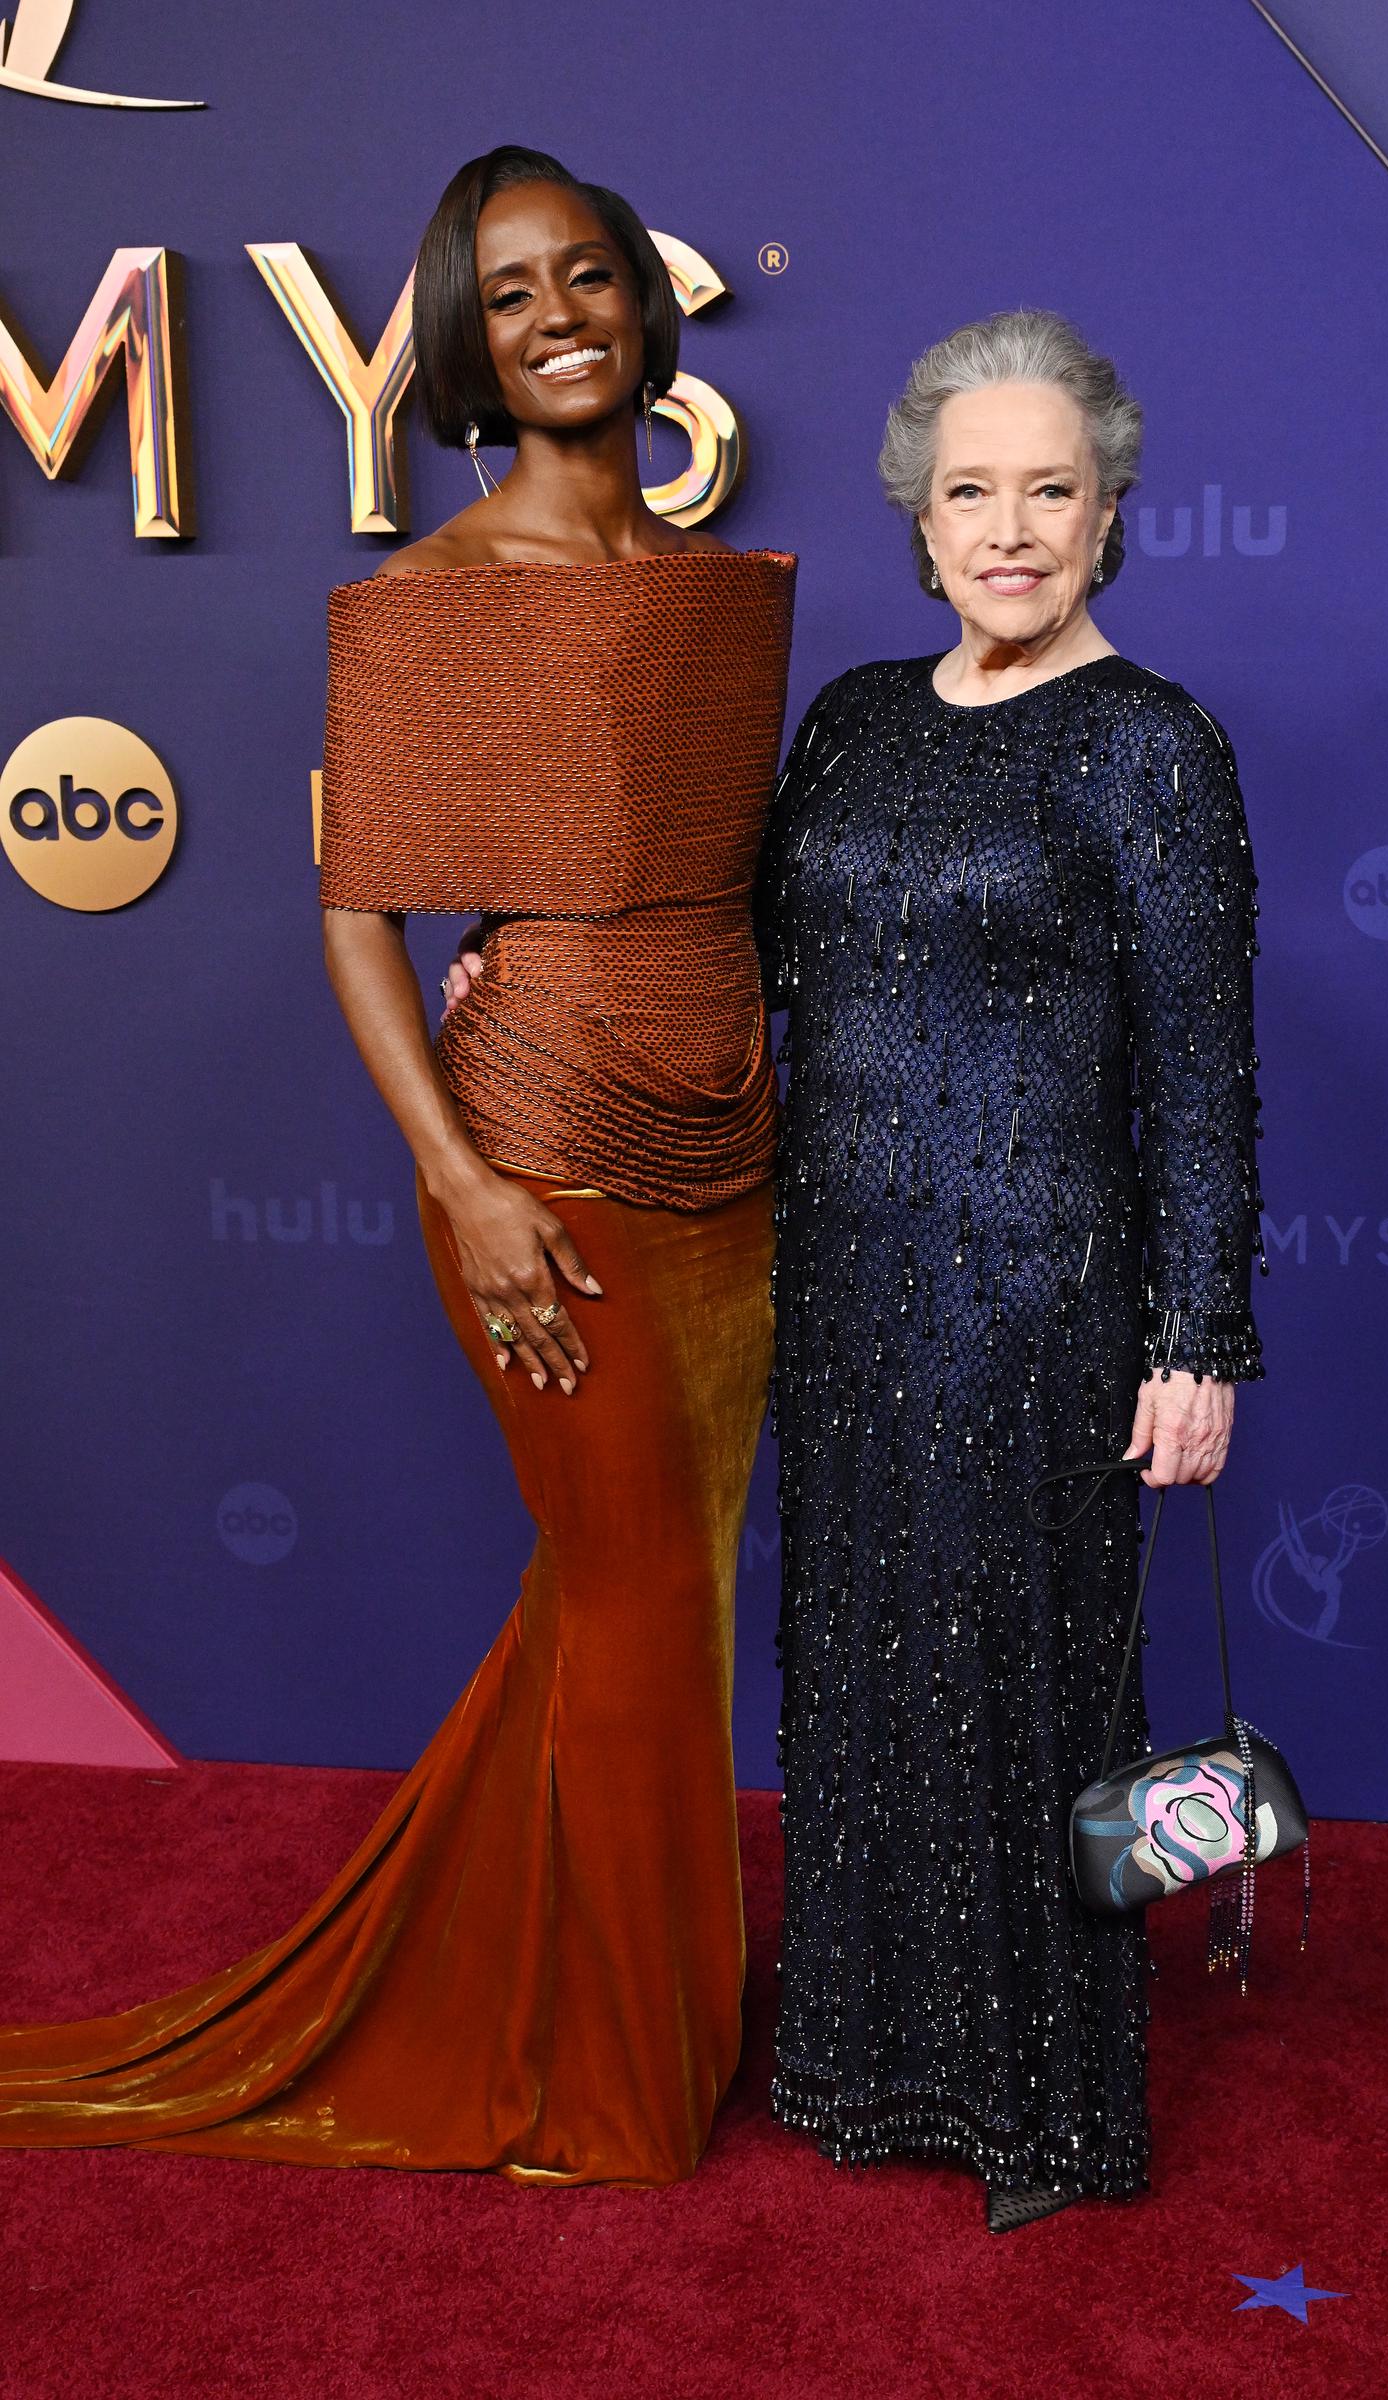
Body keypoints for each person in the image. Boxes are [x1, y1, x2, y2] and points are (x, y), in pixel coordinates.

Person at [0, 146, 795, 2185]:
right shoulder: (438, 602)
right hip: (548, 1169)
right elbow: (362, 915)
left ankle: (589, 1991)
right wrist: (461, 1181)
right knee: (630, 1608)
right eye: (510, 291)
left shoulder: (702, 584)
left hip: (732, 1163)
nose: (556, 316)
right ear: (463, 337)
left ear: (643, 303)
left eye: (587, 275)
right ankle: (620, 2091)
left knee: (647, 1608)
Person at [758, 310, 1264, 2232]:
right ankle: (871, 2060)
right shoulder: (861, 717)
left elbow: (1203, 1072)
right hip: (848, 1289)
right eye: (972, 491)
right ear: (920, 517)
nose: (1010, 528)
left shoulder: (1151, 746)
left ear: (1112, 513)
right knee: (866, 1675)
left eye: (1050, 490)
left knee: (1019, 1687)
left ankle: (1033, 2103)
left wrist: (1196, 1335)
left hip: (1038, 1307)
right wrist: (512, 955)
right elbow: (747, 961)